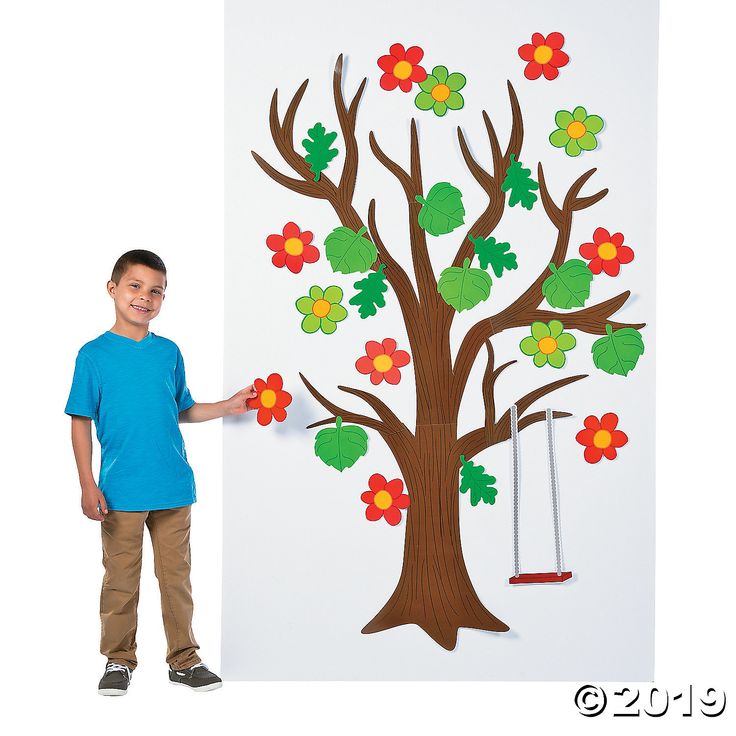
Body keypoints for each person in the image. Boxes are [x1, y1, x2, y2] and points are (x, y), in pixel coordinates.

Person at [65, 249, 256, 695]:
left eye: (156, 291)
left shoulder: (168, 352)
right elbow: (80, 421)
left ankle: (184, 661)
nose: (145, 297)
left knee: (176, 580)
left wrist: (229, 406)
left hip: (173, 486)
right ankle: (118, 660)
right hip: (119, 492)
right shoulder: (93, 355)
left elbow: (182, 410)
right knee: (120, 580)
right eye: (135, 286)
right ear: (113, 289)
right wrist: (87, 482)